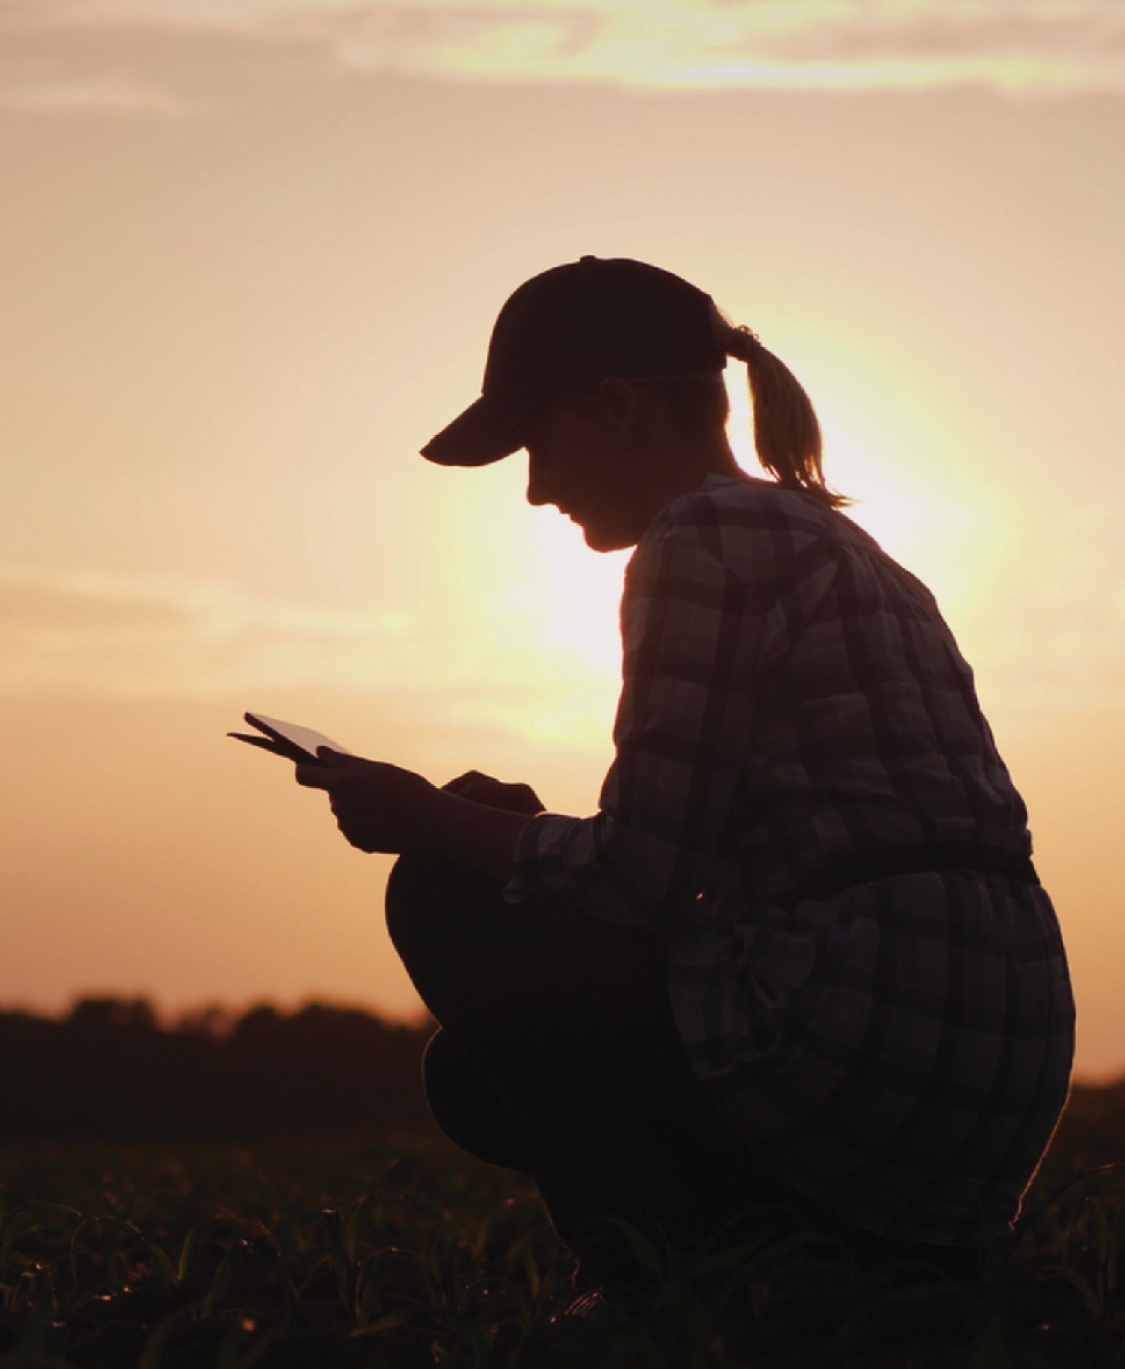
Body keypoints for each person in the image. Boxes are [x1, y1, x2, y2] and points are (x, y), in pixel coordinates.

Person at [299, 256, 1074, 1299]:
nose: (533, 490)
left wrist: (433, 824)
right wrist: (504, 832)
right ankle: (859, 1274)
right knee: (471, 1073)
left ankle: (662, 1299)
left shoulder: (700, 534)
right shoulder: (840, 543)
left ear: (617, 408)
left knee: (444, 895)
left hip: (864, 1027)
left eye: (538, 444)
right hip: (983, 1052)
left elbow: (639, 880)